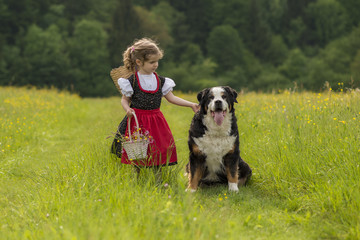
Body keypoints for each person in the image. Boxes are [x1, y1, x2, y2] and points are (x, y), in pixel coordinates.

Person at [111, 38, 199, 168]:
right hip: (137, 121)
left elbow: (172, 98)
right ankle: (139, 177)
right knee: (138, 153)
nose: (155, 64)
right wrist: (127, 109)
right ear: (139, 62)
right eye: (152, 62)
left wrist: (191, 104)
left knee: (159, 150)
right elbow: (125, 99)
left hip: (156, 122)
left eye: (157, 61)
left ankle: (157, 177)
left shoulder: (162, 81)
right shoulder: (131, 81)